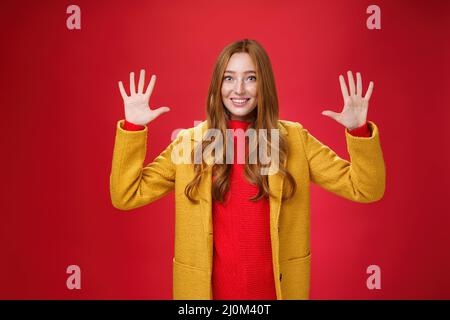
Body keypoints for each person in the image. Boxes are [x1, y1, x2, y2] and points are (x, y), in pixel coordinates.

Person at [110, 39, 386, 300]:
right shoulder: (189, 142)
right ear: (217, 85)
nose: (239, 89)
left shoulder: (294, 140)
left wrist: (358, 130)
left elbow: (365, 188)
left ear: (263, 84)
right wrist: (134, 127)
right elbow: (126, 195)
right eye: (229, 78)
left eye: (250, 78)